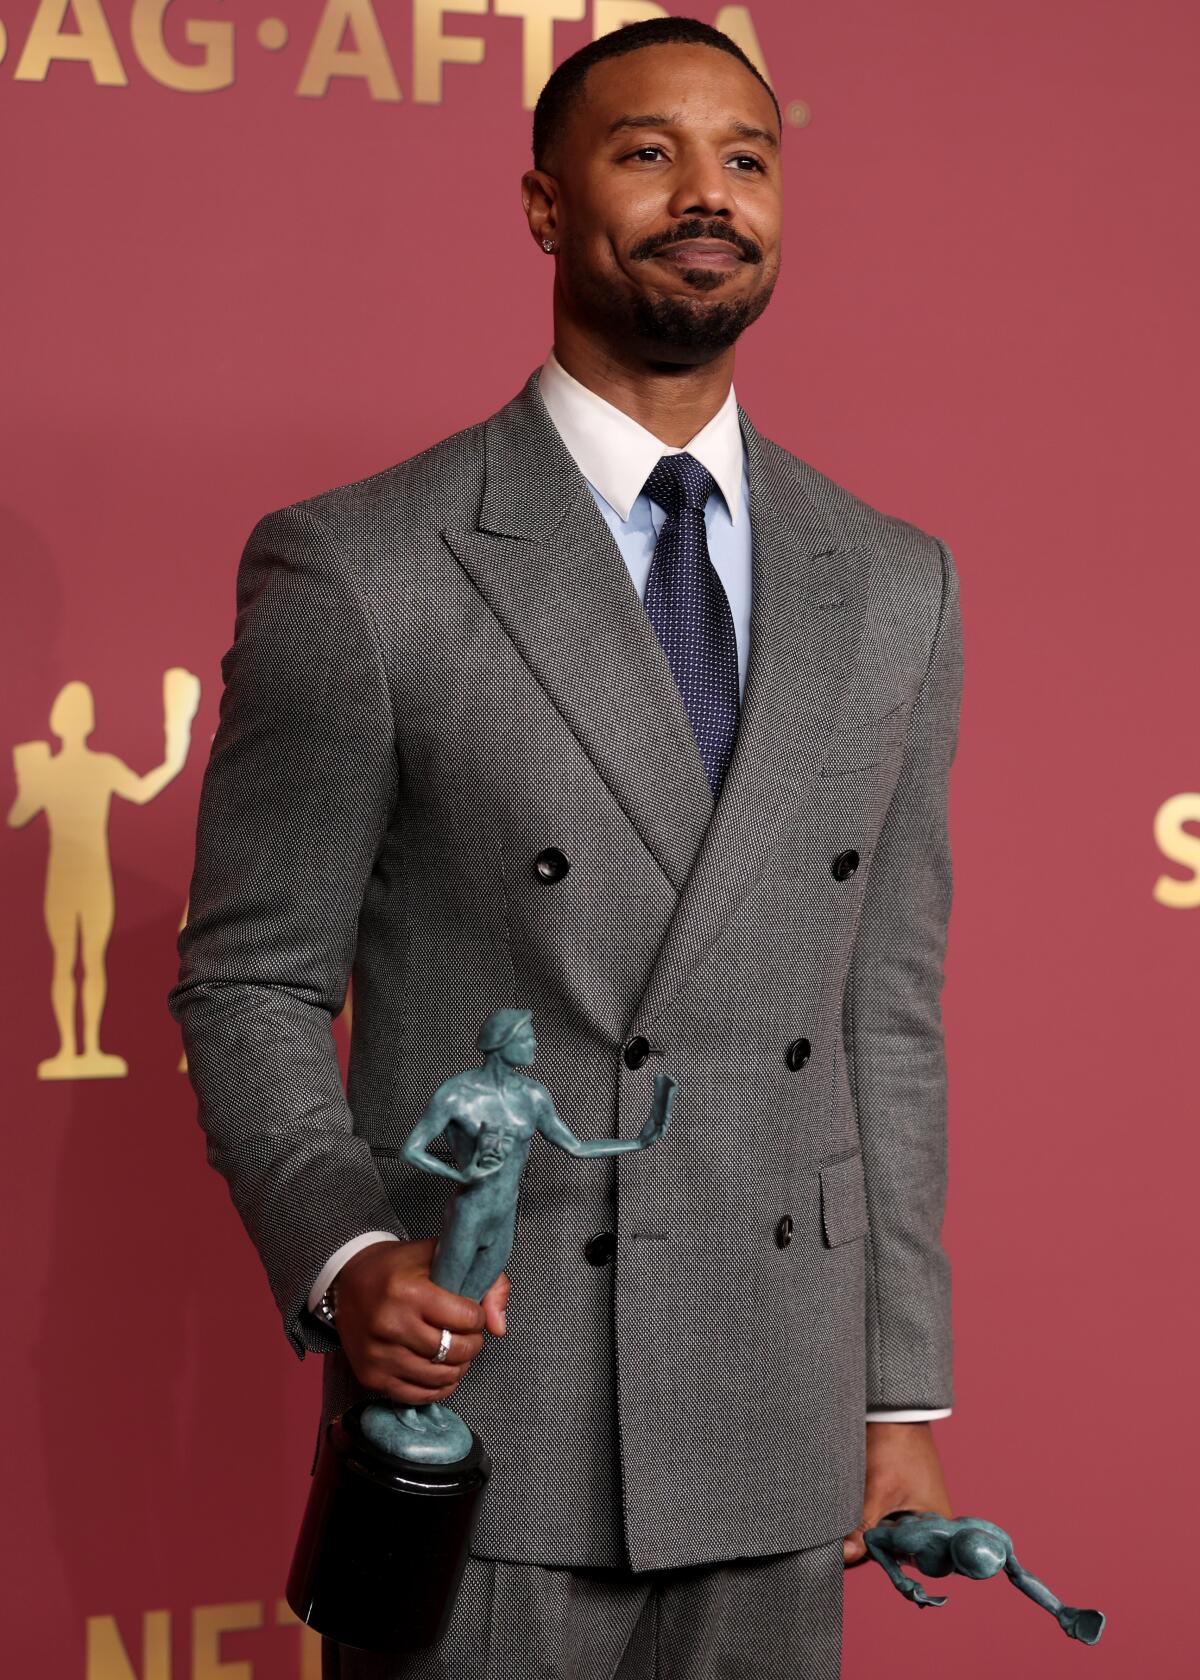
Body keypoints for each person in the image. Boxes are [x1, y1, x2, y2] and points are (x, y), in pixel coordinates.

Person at [169, 17, 962, 1678]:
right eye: (647, 150)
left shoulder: (896, 581)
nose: (708, 195)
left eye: (747, 158)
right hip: (493, 1403)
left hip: (776, 1409)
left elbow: (882, 1010)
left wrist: (900, 1397)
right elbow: (252, 977)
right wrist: (344, 1249)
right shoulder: (365, 566)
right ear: (542, 204)